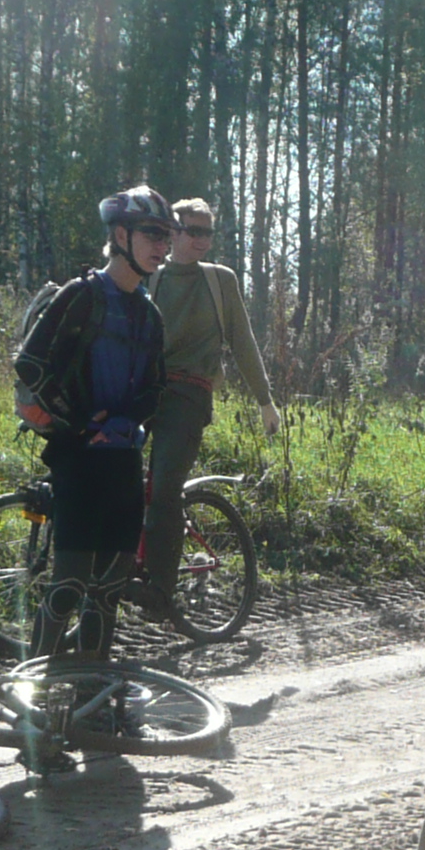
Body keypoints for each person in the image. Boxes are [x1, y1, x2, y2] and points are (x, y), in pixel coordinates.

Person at [12, 187, 173, 658]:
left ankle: (91, 688)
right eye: (153, 234)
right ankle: (38, 683)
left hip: (123, 459)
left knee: (108, 589)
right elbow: (31, 365)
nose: (163, 245)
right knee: (69, 583)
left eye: (167, 236)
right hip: (77, 458)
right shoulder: (80, 296)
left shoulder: (149, 312)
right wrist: (80, 423)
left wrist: (125, 421)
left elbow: (156, 387)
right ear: (121, 236)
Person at [140, 196, 281, 616]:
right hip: (145, 393)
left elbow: (243, 342)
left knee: (165, 489)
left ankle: (160, 592)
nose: (202, 239)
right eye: (194, 231)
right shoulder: (150, 277)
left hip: (189, 395)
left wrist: (265, 401)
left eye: (208, 232)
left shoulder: (220, 281)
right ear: (173, 232)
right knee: (115, 480)